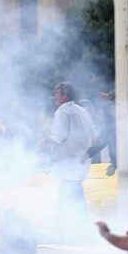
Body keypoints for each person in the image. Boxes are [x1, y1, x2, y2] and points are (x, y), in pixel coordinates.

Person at [44, 82, 98, 211]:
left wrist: (44, 142)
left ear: (65, 96)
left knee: (67, 196)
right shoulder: (83, 111)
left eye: (57, 93)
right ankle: (75, 222)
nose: (55, 96)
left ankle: (68, 224)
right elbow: (94, 135)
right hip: (82, 162)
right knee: (73, 193)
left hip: (69, 163)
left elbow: (57, 138)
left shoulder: (62, 112)